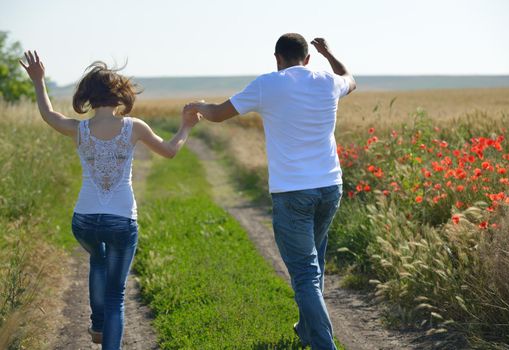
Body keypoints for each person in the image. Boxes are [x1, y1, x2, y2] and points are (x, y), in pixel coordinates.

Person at [184, 33, 356, 350]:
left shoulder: (268, 84)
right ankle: (308, 330)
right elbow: (350, 79)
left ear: (277, 58)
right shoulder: (326, 81)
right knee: (313, 263)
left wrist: (198, 107)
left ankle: (324, 345)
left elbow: (220, 113)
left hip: (292, 193)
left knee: (305, 273)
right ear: (308, 58)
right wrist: (329, 54)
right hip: (330, 188)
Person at [19, 51, 200, 350]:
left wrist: (38, 81)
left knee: (97, 258)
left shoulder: (79, 129)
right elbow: (170, 151)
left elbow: (48, 114)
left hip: (84, 221)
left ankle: (98, 324)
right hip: (121, 220)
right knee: (116, 297)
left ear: (88, 96)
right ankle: (105, 330)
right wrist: (186, 127)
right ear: (121, 96)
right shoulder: (134, 126)